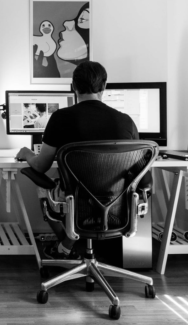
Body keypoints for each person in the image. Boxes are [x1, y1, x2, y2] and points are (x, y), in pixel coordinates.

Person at [16, 61, 143, 260]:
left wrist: (26, 153)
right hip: (117, 204)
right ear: (104, 86)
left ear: (73, 86)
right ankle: (68, 246)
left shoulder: (61, 118)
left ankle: (65, 247)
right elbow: (139, 169)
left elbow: (41, 166)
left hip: (76, 201)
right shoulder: (126, 121)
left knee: (43, 187)